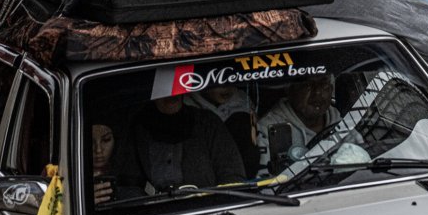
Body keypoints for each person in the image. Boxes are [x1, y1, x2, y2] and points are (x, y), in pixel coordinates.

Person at [115, 96, 245, 194]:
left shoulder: (207, 123)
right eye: (165, 88)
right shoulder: (137, 129)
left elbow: (233, 178)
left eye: (176, 88)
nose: (171, 94)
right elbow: (127, 184)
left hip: (209, 212)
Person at [257, 74, 340, 172]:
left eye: (324, 84)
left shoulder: (343, 121)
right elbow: (264, 179)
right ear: (289, 89)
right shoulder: (268, 128)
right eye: (308, 84)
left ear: (331, 88)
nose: (317, 92)